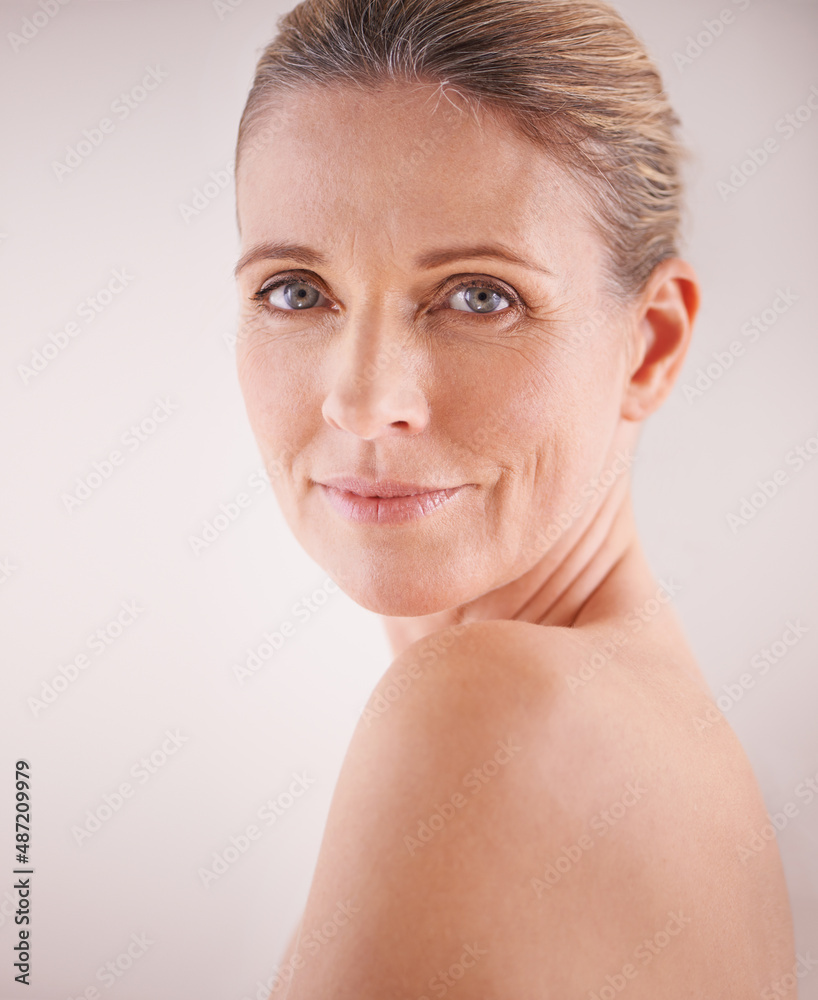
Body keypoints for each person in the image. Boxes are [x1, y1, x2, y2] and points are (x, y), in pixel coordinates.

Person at [231, 0, 797, 994]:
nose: (365, 403)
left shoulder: (488, 714)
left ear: (649, 344)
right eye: (295, 290)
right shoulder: (665, 747)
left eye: (477, 297)